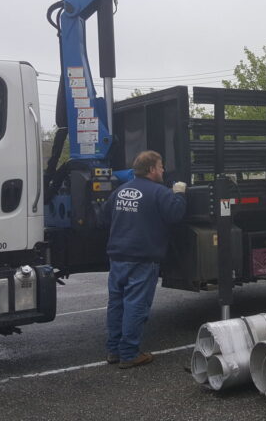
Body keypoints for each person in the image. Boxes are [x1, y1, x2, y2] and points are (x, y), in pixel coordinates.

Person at [103, 150, 187, 369]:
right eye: (160, 166)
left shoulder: (120, 191)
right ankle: (129, 354)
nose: (163, 170)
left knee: (117, 303)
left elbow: (104, 215)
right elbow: (175, 215)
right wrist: (179, 193)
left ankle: (113, 350)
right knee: (136, 305)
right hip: (142, 257)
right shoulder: (159, 192)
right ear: (151, 169)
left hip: (117, 255)